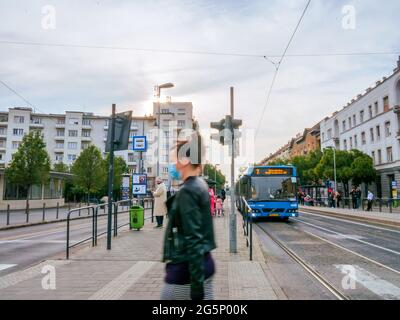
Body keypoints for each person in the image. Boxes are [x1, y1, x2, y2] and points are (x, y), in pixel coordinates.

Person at [161, 134, 216, 300]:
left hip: (184, 274)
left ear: (185, 160)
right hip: (199, 268)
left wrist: (197, 288)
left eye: (176, 159)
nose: (174, 164)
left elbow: (194, 240)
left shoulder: (188, 191)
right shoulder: (200, 184)